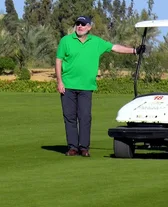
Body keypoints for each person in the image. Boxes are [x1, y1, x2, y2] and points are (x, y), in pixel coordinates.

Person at [55, 15, 146, 157]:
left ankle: (84, 147)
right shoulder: (66, 41)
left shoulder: (96, 42)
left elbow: (114, 47)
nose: (80, 26)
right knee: (70, 117)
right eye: (78, 24)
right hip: (68, 85)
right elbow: (58, 60)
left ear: (89, 27)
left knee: (85, 117)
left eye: (83, 24)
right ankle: (73, 147)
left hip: (87, 86)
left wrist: (134, 51)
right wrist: (59, 81)